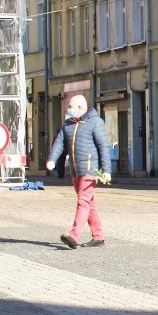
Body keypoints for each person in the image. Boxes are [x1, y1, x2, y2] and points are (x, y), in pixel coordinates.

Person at [46, 95, 111, 249]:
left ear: (80, 107)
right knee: (89, 203)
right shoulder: (68, 124)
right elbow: (59, 143)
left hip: (91, 169)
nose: (67, 109)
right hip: (75, 170)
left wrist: (107, 170)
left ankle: (73, 235)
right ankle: (98, 236)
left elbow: (103, 147)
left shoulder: (95, 122)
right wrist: (52, 159)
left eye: (70, 106)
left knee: (83, 201)